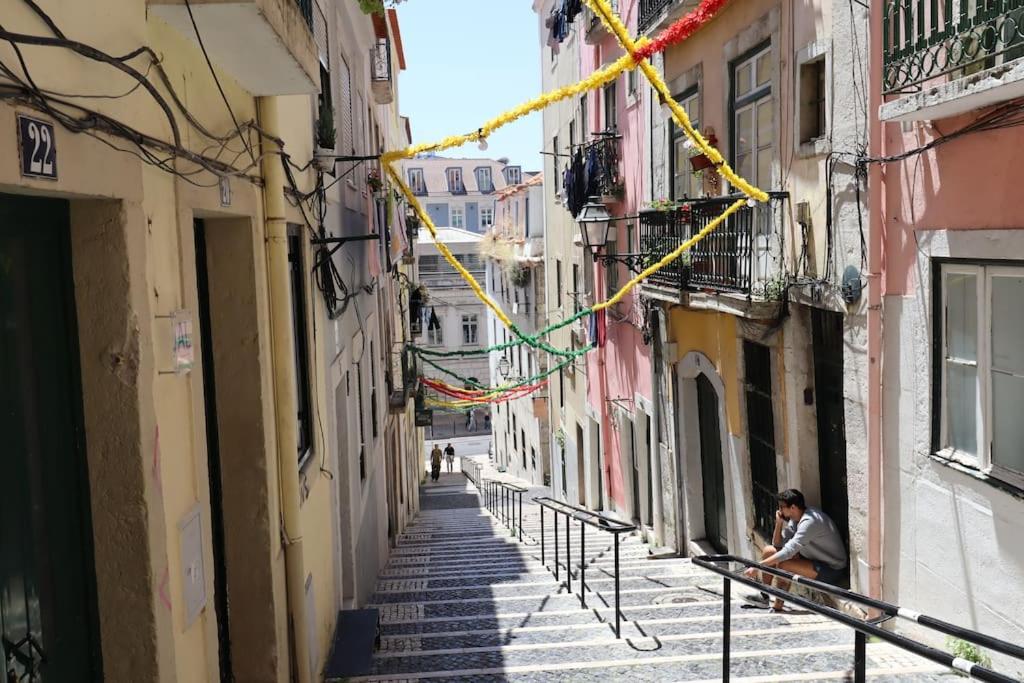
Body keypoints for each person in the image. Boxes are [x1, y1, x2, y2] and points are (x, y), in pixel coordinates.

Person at [743, 489, 848, 611]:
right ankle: (764, 596)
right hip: (811, 559)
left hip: (831, 569)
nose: (779, 510)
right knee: (768, 551)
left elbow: (789, 551)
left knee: (784, 565)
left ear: (793, 507)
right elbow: (777, 544)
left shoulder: (810, 521)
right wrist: (779, 523)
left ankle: (778, 606)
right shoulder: (795, 519)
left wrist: (758, 567)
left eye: (782, 507)